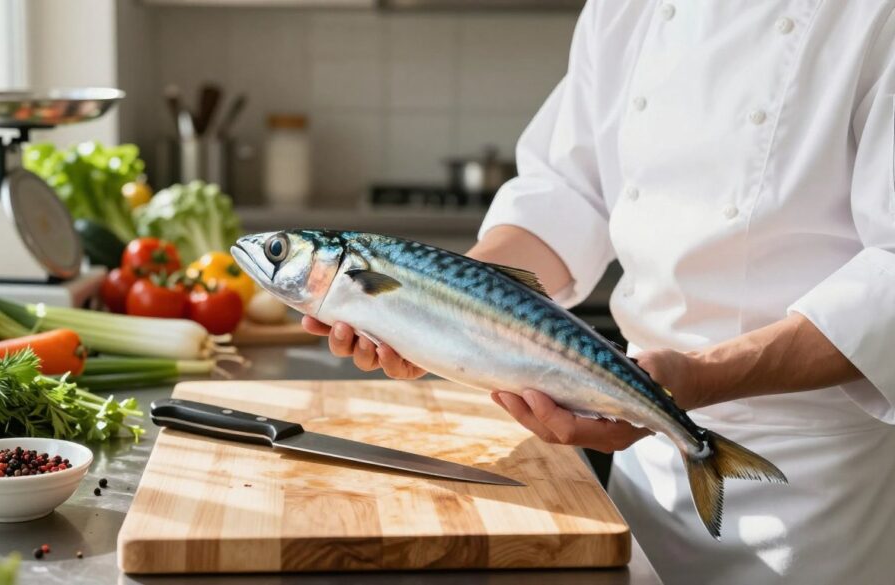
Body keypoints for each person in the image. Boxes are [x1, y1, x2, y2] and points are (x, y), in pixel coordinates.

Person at [302, 2, 895, 583]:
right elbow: (565, 191)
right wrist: (434, 307)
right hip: (639, 470)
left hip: (809, 489)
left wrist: (702, 376)